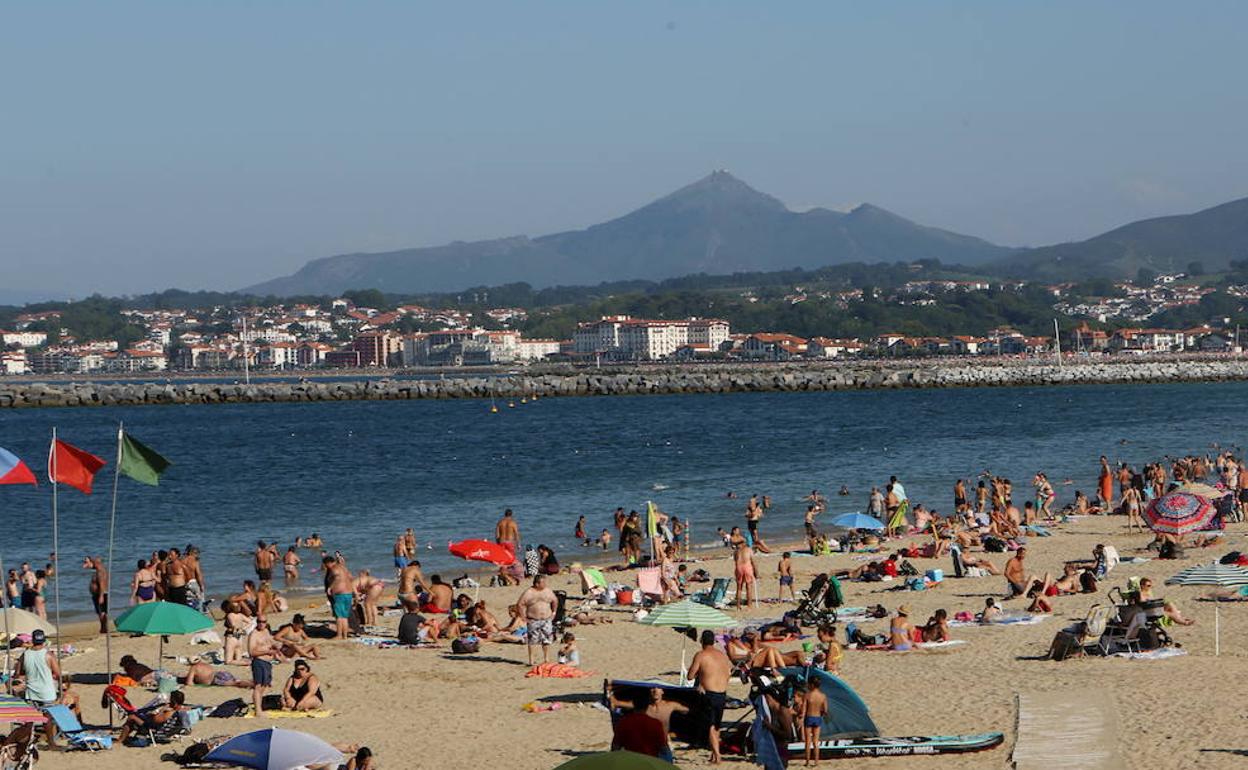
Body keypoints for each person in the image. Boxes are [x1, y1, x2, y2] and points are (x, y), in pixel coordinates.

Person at [687, 629, 731, 764]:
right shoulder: (722, 656)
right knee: (716, 726)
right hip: (722, 694)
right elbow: (728, 674)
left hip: (709, 694)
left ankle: (717, 755)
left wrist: (701, 679)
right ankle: (713, 754)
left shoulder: (701, 655)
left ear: (701, 641)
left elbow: (690, 675)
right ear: (714, 641)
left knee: (711, 726)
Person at [610, 689, 668, 758]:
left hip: (631, 760)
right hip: (650, 760)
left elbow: (615, 746)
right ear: (647, 705)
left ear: (634, 704)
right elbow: (663, 748)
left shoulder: (624, 722)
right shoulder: (656, 723)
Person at [517, 575, 558, 665]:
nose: (545, 584)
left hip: (546, 619)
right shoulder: (529, 592)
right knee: (532, 640)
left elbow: (555, 600)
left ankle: (546, 658)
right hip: (533, 619)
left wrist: (554, 612)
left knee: (546, 639)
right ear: (537, 583)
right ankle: (531, 660)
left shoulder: (548, 591)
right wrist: (523, 617)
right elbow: (520, 604)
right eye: (543, 582)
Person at [119, 690, 186, 744]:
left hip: (153, 729)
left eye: (171, 699)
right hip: (154, 726)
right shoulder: (180, 710)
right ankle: (124, 738)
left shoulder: (170, 712)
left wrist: (160, 711)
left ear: (174, 702)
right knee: (135, 717)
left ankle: (120, 740)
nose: (169, 701)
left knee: (132, 717)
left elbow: (155, 721)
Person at [248, 617, 285, 716]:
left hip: (268, 662)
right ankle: (258, 711)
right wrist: (268, 651)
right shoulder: (253, 634)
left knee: (264, 686)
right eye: (259, 621)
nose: (261, 624)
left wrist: (276, 646)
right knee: (258, 686)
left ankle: (259, 707)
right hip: (259, 661)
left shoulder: (266, 631)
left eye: (263, 622)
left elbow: (271, 642)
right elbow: (251, 652)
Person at [646, 687, 688, 763]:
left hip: (663, 745)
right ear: (649, 691)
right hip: (647, 745)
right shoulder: (644, 707)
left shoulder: (670, 705)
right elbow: (623, 704)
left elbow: (687, 710)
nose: (655, 690)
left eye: (658, 688)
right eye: (653, 688)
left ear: (662, 691)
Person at [798, 678, 828, 767]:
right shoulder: (823, 696)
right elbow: (825, 710)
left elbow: (804, 709)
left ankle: (807, 762)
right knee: (815, 741)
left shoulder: (807, 695)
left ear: (812, 685)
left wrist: (801, 719)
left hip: (809, 717)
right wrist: (821, 712)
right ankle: (816, 762)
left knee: (808, 742)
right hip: (818, 717)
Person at [323, 555, 354, 639]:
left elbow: (337, 577)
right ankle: (345, 635)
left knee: (339, 616)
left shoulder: (334, 568)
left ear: (328, 563)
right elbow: (351, 577)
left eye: (326, 565)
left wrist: (330, 587)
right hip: (348, 593)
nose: (326, 568)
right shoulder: (343, 567)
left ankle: (339, 635)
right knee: (344, 616)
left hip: (340, 594)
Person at [180, 658, 252, 688]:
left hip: (216, 678)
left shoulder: (194, 668)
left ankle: (253, 684)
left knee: (236, 684)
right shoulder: (204, 664)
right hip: (221, 673)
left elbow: (189, 683)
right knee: (237, 680)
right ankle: (254, 682)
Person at [82, 556, 109, 634]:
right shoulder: (98, 570)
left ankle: (104, 628)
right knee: (101, 612)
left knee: (102, 612)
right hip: (98, 594)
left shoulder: (100, 571)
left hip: (100, 594)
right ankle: (103, 628)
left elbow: (102, 584)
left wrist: (101, 596)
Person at [222, 600, 251, 665]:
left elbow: (233, 625)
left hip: (231, 637)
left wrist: (235, 629)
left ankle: (246, 663)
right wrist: (243, 629)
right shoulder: (241, 615)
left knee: (228, 661)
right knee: (238, 659)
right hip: (240, 637)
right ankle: (245, 662)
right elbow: (250, 622)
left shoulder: (230, 615)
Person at [733, 537, 756, 608]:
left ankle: (738, 605)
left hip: (739, 568)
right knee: (748, 586)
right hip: (747, 567)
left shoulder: (736, 551)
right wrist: (756, 571)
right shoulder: (748, 550)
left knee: (739, 587)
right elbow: (753, 561)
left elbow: (735, 560)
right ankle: (749, 604)